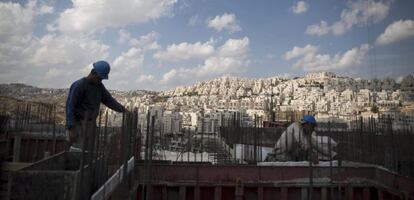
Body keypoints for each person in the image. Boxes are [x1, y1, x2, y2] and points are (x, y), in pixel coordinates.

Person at [65, 60, 126, 152]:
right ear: (93, 73)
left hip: (90, 123)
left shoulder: (99, 87)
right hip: (78, 124)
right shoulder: (80, 85)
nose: (100, 81)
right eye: (99, 78)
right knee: (77, 152)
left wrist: (123, 110)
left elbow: (109, 101)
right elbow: (70, 106)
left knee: (89, 152)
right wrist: (71, 127)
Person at [266, 115, 334, 162]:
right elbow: (303, 143)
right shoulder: (296, 126)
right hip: (279, 155)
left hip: (289, 156)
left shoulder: (306, 134)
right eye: (312, 127)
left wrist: (333, 155)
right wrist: (312, 154)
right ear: (307, 124)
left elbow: (317, 146)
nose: (313, 129)